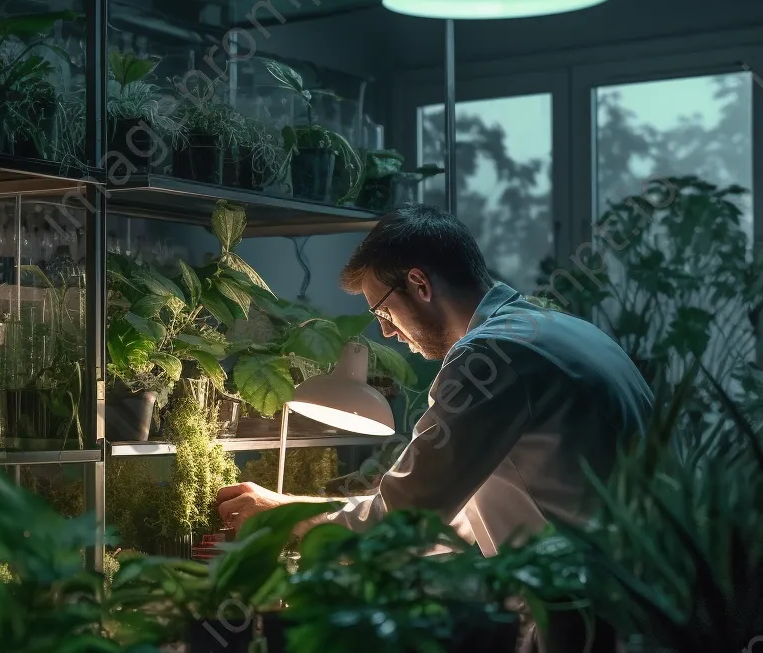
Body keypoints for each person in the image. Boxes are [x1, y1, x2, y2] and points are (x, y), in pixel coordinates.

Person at [216, 205, 654, 555]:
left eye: (383, 311)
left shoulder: (489, 357)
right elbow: (454, 519)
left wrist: (280, 511)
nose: (386, 330)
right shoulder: (556, 330)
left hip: (589, 613)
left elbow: (405, 524)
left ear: (419, 283)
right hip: (642, 599)